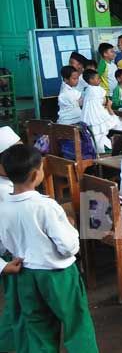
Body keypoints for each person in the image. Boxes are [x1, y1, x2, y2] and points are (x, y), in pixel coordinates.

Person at [0, 145, 99, 352]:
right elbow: (68, 246)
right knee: (76, 323)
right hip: (58, 275)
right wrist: (70, 226)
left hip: (25, 274)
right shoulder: (46, 206)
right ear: (36, 174)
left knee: (37, 330)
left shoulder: (3, 207)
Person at [0, 127, 22, 353]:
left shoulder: (9, 186)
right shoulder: (4, 193)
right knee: (17, 307)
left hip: (12, 256)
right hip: (10, 259)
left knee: (16, 306)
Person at [81, 69, 119, 153]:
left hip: (90, 145)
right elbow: (116, 123)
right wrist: (109, 107)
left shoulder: (87, 91)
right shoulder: (97, 91)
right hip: (100, 147)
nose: (100, 80)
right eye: (98, 78)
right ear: (91, 80)